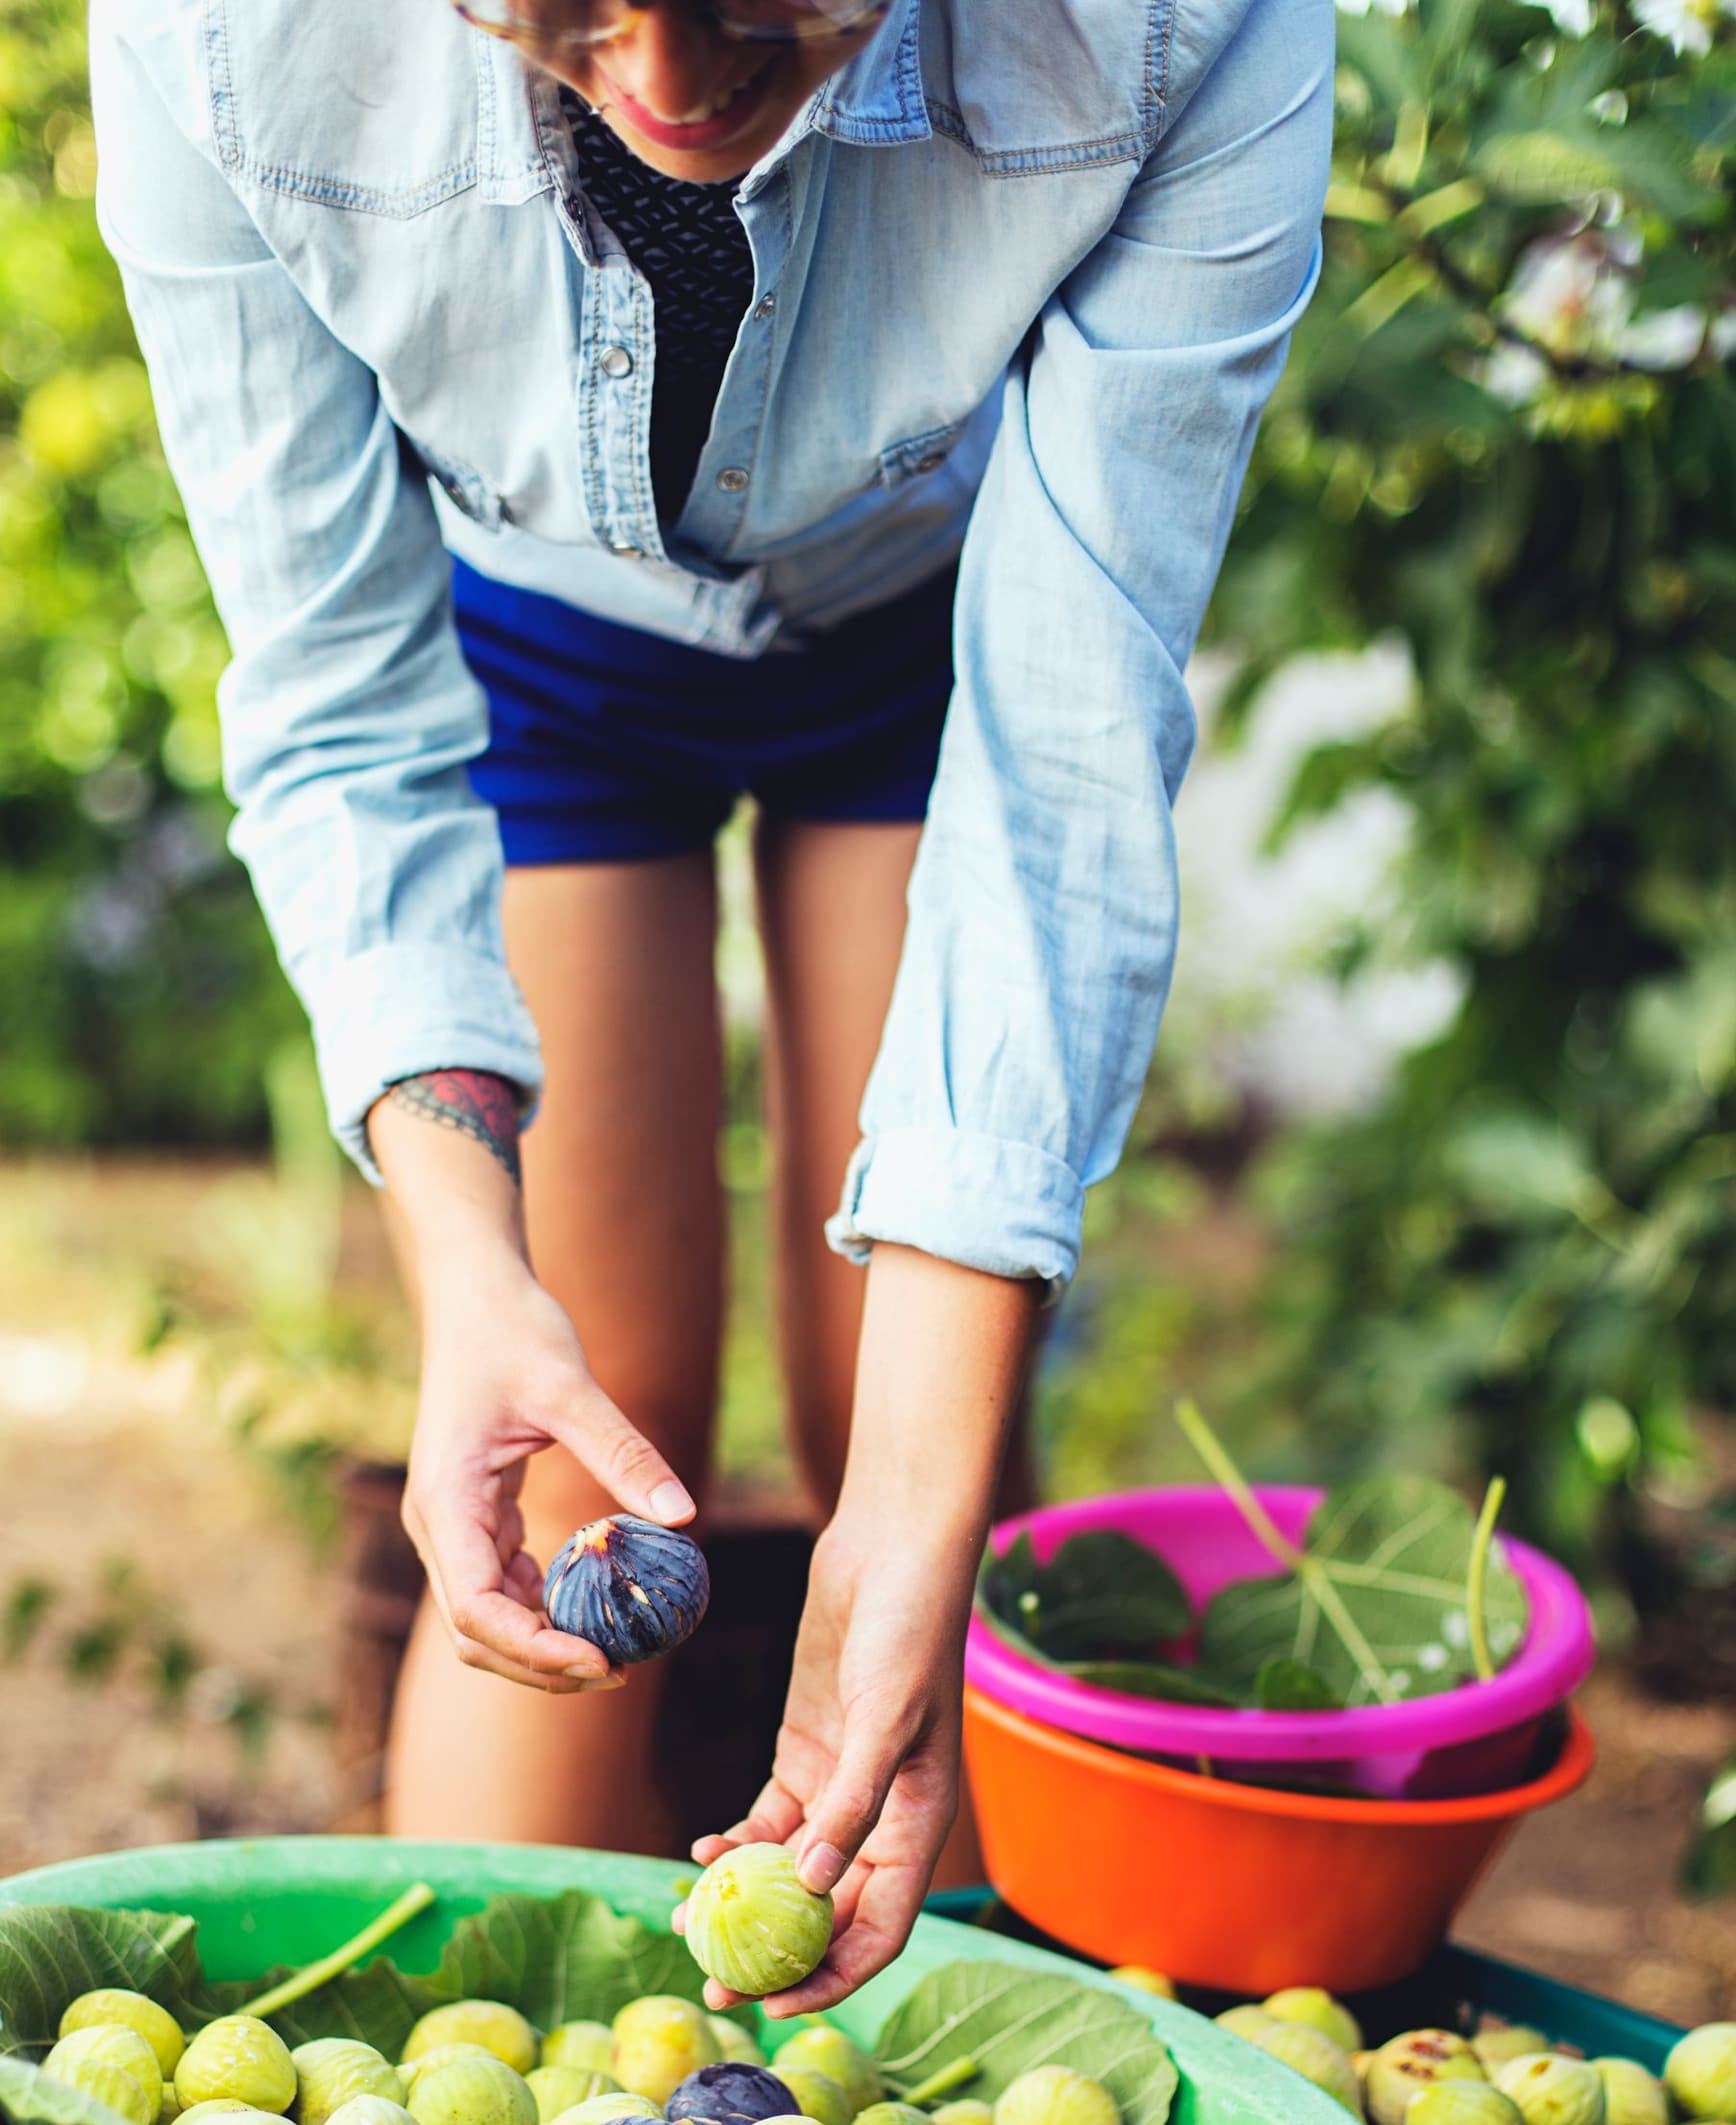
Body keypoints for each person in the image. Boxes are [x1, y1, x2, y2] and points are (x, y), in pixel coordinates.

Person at [91, 0, 1331, 2014]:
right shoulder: (219, 32)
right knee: (588, 1451)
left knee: (918, 1452)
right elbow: (333, 706)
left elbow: (1072, 768)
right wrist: (465, 1268)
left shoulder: (1188, 26)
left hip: (929, 632)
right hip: (537, 652)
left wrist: (922, 1500)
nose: (669, 70)